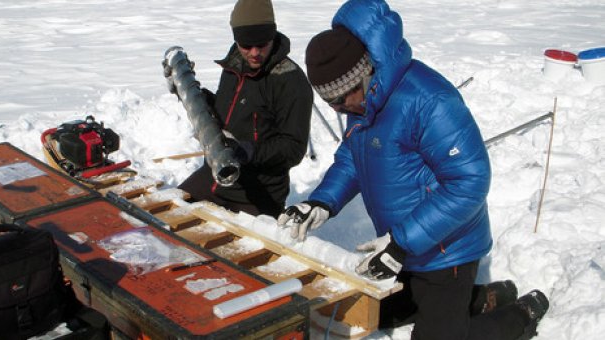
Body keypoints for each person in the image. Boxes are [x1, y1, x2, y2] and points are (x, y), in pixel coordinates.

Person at [276, 1, 549, 339]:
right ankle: (485, 298)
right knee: (378, 315)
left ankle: (521, 314)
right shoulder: (364, 100)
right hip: (403, 245)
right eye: (330, 103)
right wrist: (322, 202)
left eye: (342, 99)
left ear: (364, 74)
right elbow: (353, 156)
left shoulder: (428, 100)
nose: (339, 108)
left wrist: (403, 241)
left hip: (448, 251)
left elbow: (470, 180)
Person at [178, 0, 313, 218]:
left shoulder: (290, 82)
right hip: (213, 178)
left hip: (257, 194)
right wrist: (199, 100)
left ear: (273, 35)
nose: (254, 53)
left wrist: (248, 151)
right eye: (246, 45)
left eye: (262, 44)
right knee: (166, 220)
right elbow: (229, 114)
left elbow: (294, 148)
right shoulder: (234, 65)